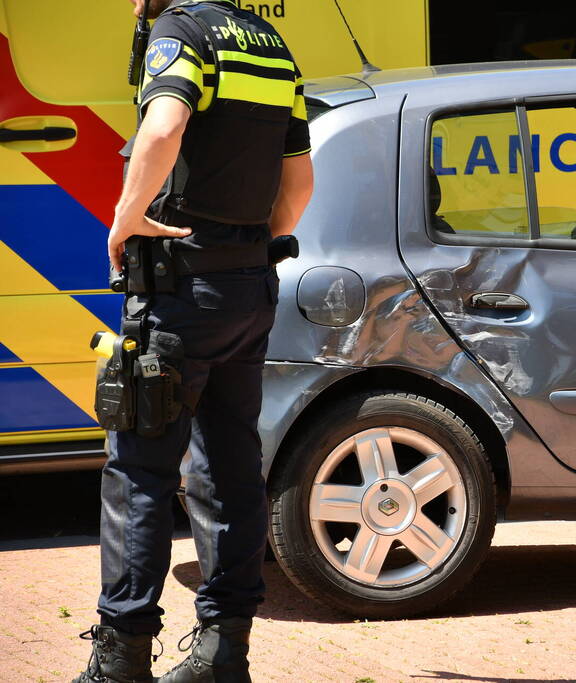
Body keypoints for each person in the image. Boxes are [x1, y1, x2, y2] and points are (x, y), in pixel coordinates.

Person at [75, 0, 313, 681]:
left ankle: (119, 659)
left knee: (140, 473)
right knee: (231, 470)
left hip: (177, 296)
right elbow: (298, 184)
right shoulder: (270, 44)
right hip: (248, 289)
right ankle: (222, 652)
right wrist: (242, 249)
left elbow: (164, 127)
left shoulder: (181, 32)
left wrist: (126, 217)